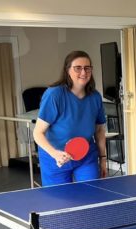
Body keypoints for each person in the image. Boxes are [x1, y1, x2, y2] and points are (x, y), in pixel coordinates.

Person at [33, 50, 107, 187]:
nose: (83, 72)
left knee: (91, 195)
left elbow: (100, 130)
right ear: (68, 70)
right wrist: (55, 154)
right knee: (59, 203)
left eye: (87, 68)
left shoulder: (95, 97)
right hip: (55, 157)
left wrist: (103, 159)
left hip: (86, 156)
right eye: (77, 68)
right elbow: (37, 133)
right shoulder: (54, 95)